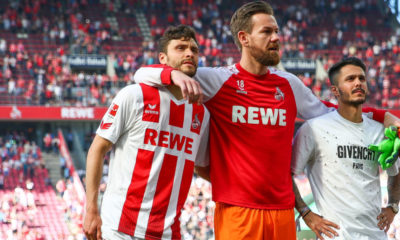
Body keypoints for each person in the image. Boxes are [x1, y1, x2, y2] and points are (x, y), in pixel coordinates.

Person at [133, 2, 400, 239]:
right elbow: (142, 74)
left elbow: (332, 110)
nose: (276, 38)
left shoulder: (289, 84)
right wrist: (173, 76)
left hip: (283, 211)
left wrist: (382, 115)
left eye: (276, 31)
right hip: (237, 211)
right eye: (267, 32)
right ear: (244, 38)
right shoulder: (215, 80)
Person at [83, 25, 210, 240]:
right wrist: (91, 209)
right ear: (163, 58)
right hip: (120, 228)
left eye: (194, 50)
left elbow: (199, 165)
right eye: (180, 48)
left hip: (168, 232)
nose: (189, 53)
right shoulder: (134, 95)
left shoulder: (202, 112)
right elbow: (97, 148)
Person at [291, 57, 400, 240]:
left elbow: (395, 171)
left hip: (376, 235)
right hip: (335, 236)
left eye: (361, 78)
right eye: (350, 79)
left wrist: (393, 206)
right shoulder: (314, 129)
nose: (358, 82)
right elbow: (287, 174)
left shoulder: (379, 131)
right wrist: (305, 213)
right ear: (335, 90)